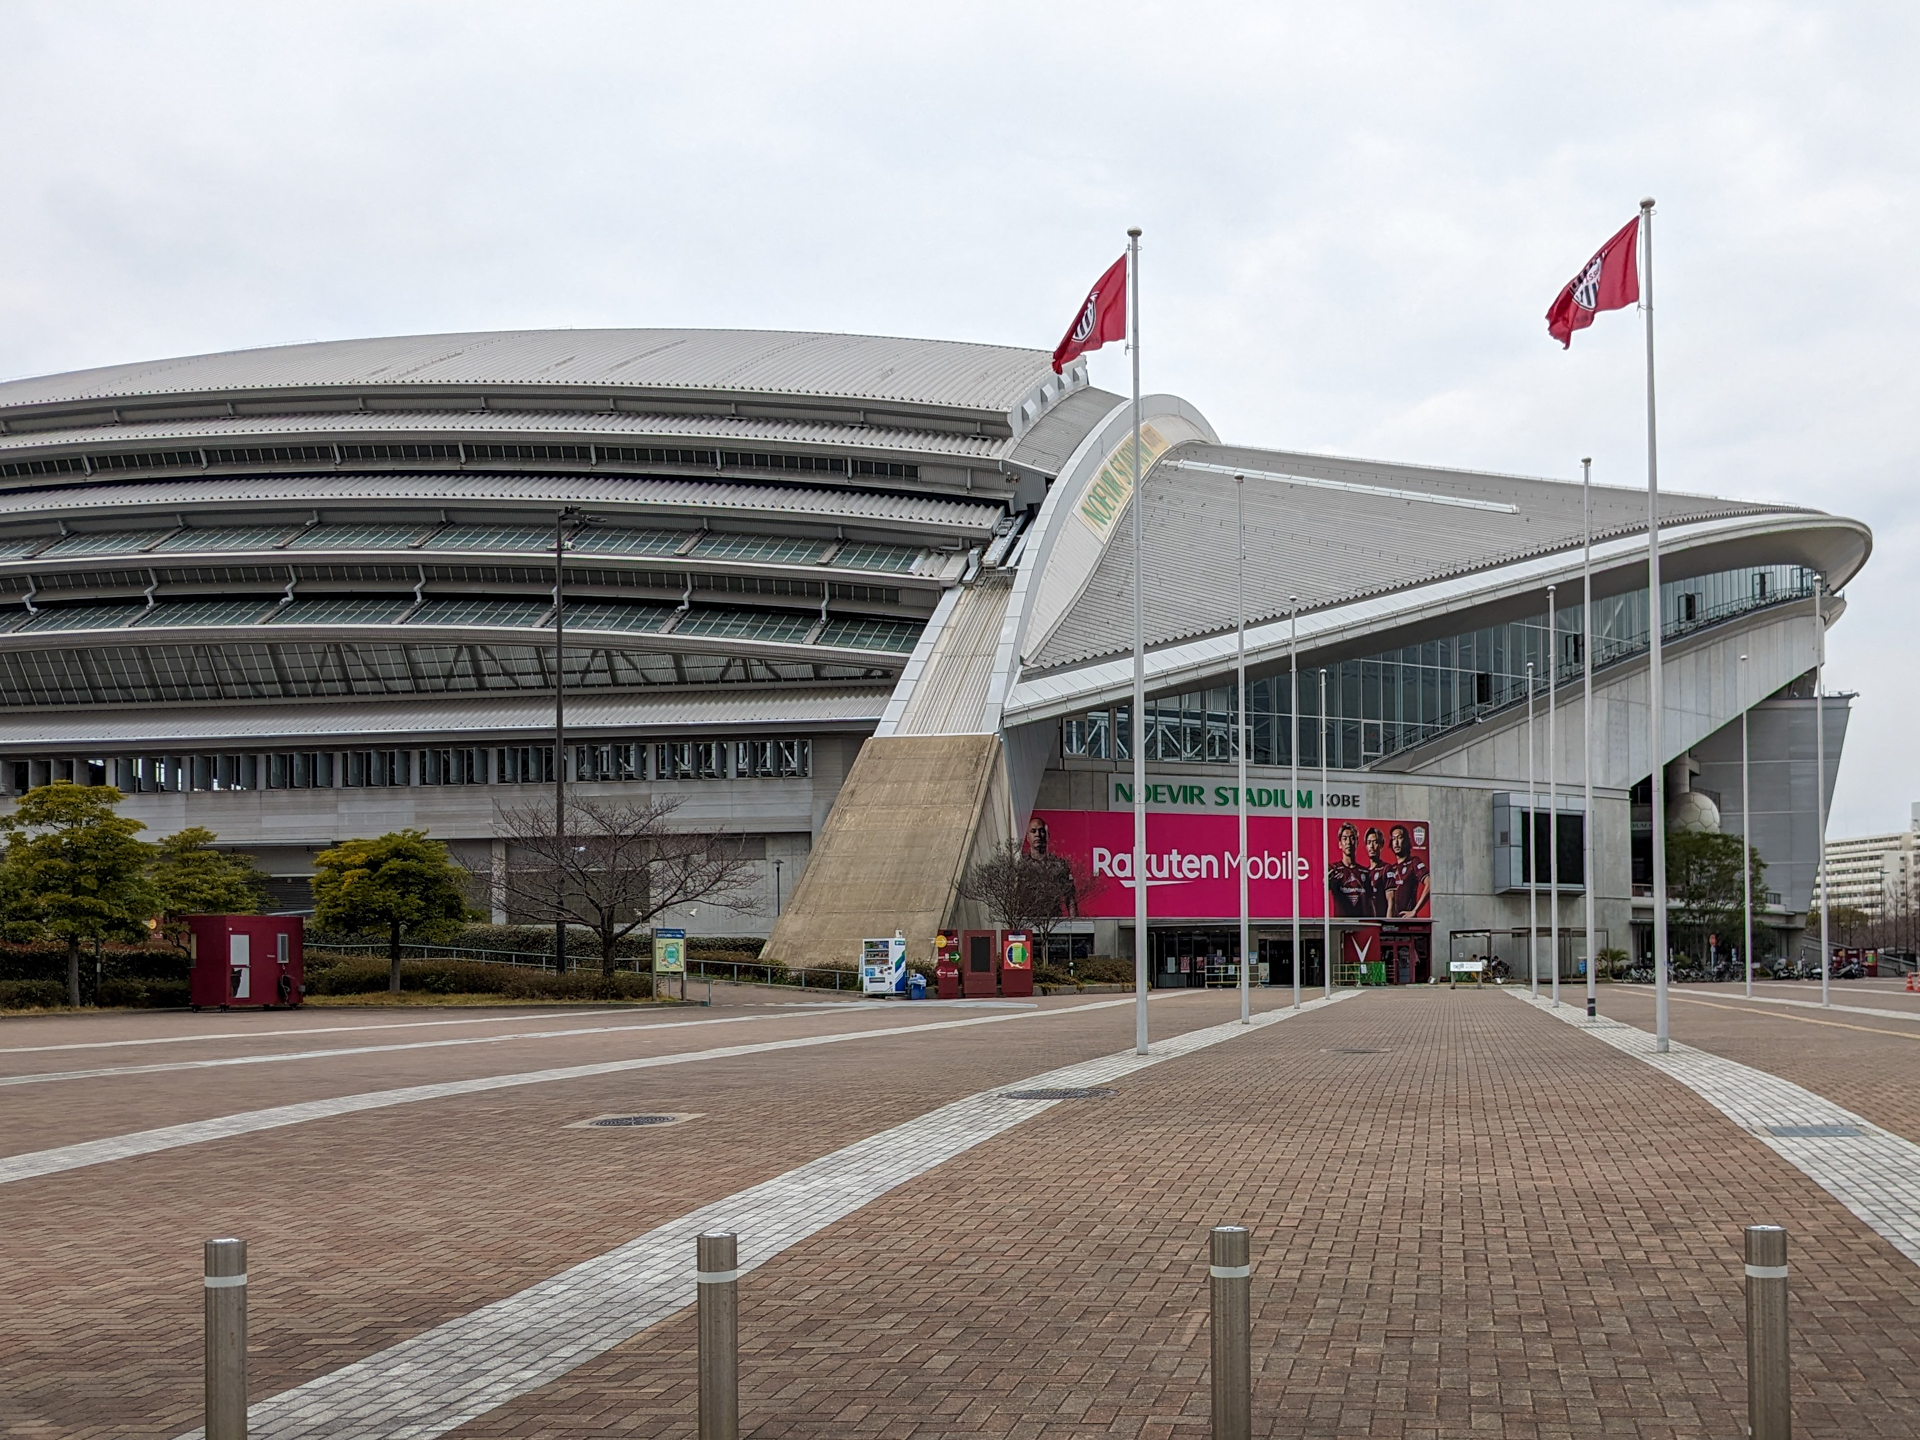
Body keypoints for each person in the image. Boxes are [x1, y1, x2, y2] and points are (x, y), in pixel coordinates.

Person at [1381, 823, 1432, 918]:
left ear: (1406, 841)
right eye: (1393, 839)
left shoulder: (1413, 862)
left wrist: (1414, 911)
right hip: (1392, 924)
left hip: (1407, 923)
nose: (1396, 842)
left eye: (1399, 838)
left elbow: (1429, 883)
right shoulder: (1391, 868)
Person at [1327, 821, 1375, 918]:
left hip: (1360, 925)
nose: (1348, 842)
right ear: (1340, 844)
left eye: (1352, 838)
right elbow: (1326, 885)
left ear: (1357, 842)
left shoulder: (1365, 872)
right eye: (1345, 839)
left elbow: (1370, 902)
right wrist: (1328, 882)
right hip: (1341, 925)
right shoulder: (1334, 869)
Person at [1361, 826, 1388, 917]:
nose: (1371, 846)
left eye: (1375, 842)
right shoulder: (1364, 872)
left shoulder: (1386, 868)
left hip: (1381, 922)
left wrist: (1389, 925)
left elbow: (1391, 900)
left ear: (1381, 845)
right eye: (1369, 843)